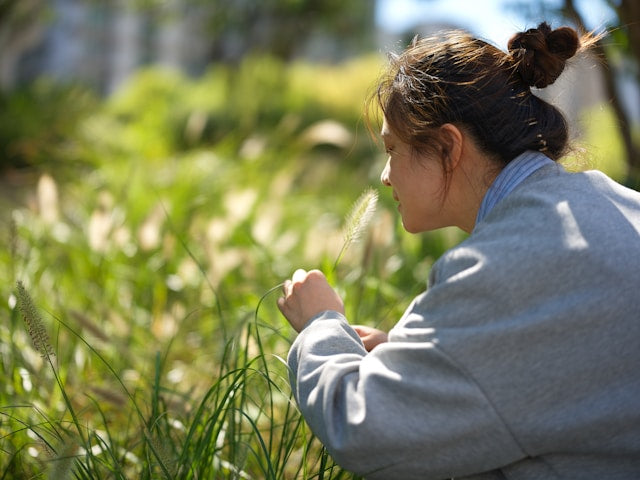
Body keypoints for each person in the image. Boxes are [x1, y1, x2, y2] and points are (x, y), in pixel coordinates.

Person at [277, 22, 640, 480]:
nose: (386, 176)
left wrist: (320, 326)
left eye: (393, 148)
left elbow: (368, 427)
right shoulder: (609, 202)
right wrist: (434, 357)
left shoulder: (502, 265)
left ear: (448, 146)